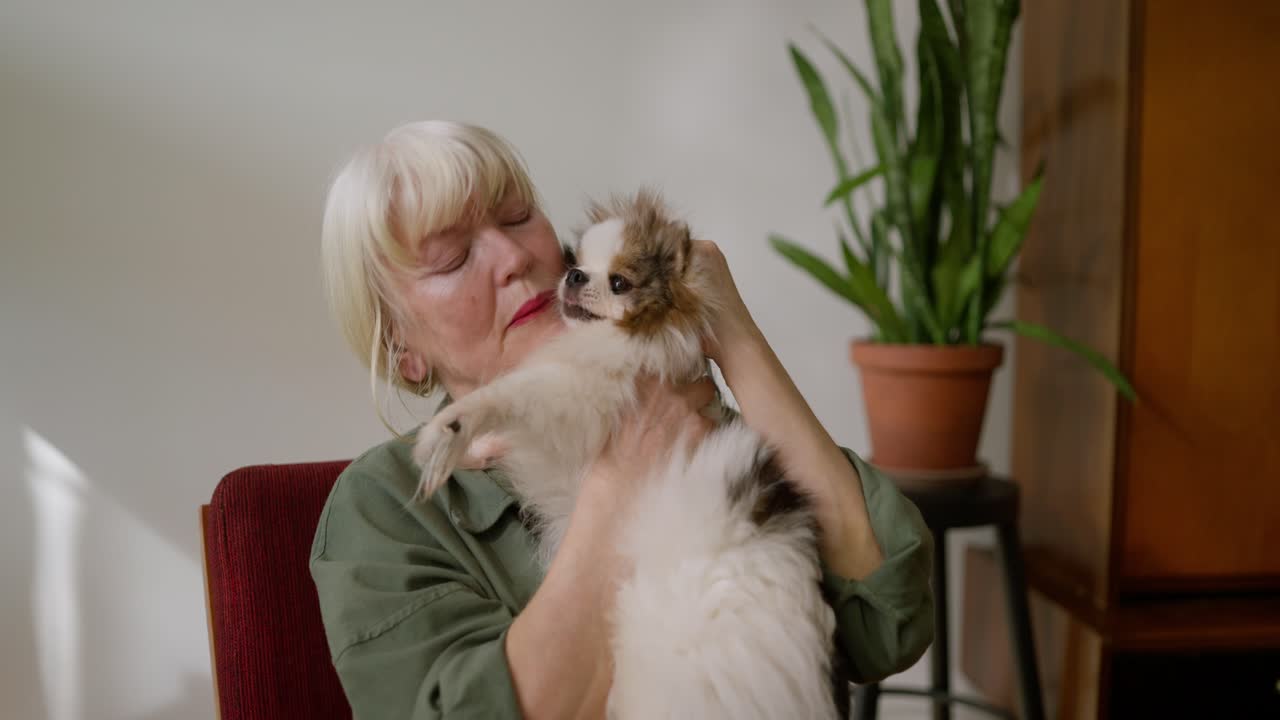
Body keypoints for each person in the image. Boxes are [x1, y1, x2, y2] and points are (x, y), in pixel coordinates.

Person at [310, 120, 933, 719]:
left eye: (518, 216)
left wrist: (734, 338)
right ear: (402, 349)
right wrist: (621, 475)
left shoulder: (678, 404)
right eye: (452, 258)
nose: (513, 256)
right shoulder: (385, 505)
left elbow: (884, 626)